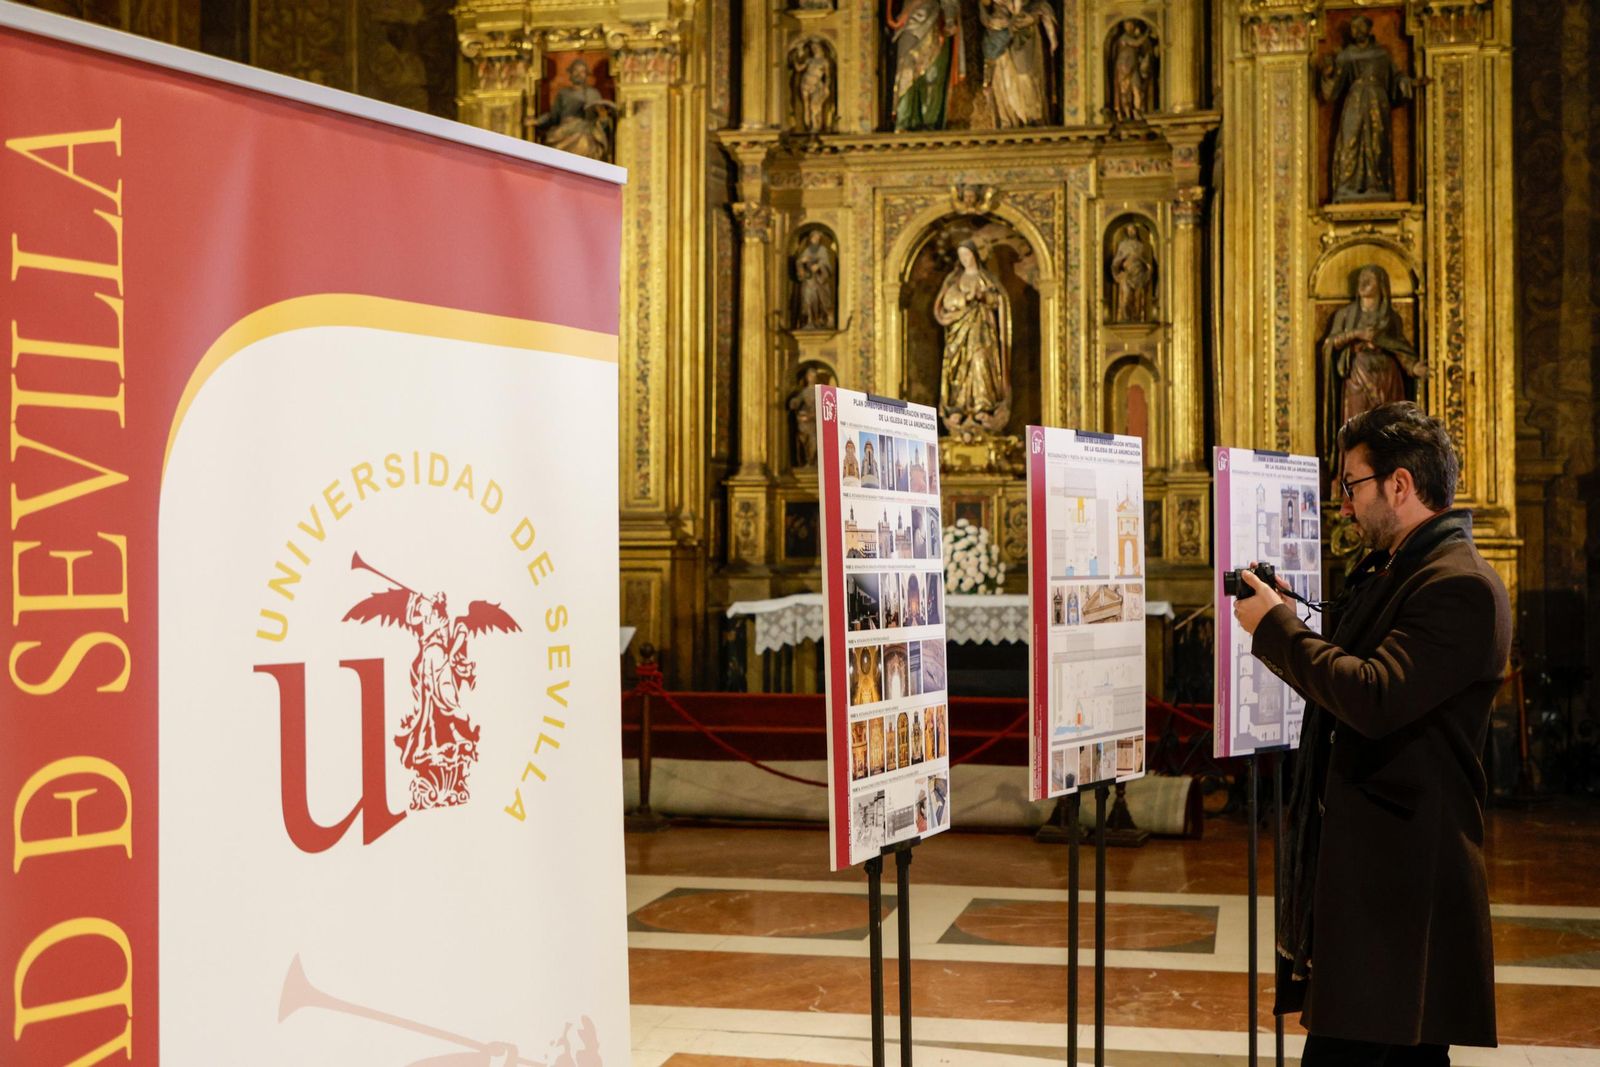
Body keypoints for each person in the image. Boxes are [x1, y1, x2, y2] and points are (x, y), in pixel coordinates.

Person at [1231, 402, 1508, 1065]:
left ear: (1400, 485)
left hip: (1403, 885)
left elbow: (1374, 694)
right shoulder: (1409, 568)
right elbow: (1360, 668)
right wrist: (1292, 615)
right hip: (1382, 881)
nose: (1345, 506)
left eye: (1353, 485)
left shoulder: (1459, 584)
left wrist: (1276, 630)